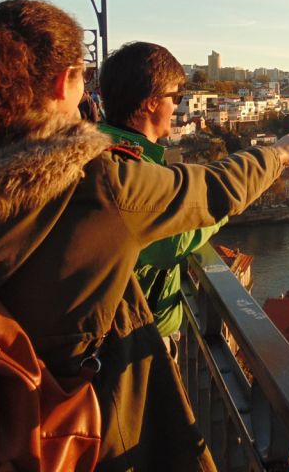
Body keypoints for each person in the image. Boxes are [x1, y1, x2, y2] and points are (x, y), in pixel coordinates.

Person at [0, 0, 289, 471]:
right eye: (83, 76)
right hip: (73, 435)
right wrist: (279, 154)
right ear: (63, 82)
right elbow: (213, 190)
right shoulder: (97, 187)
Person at [98, 41, 224, 353]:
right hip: (135, 337)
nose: (179, 106)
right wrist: (222, 203)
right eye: (176, 97)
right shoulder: (126, 164)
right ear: (153, 103)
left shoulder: (102, 146)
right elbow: (170, 242)